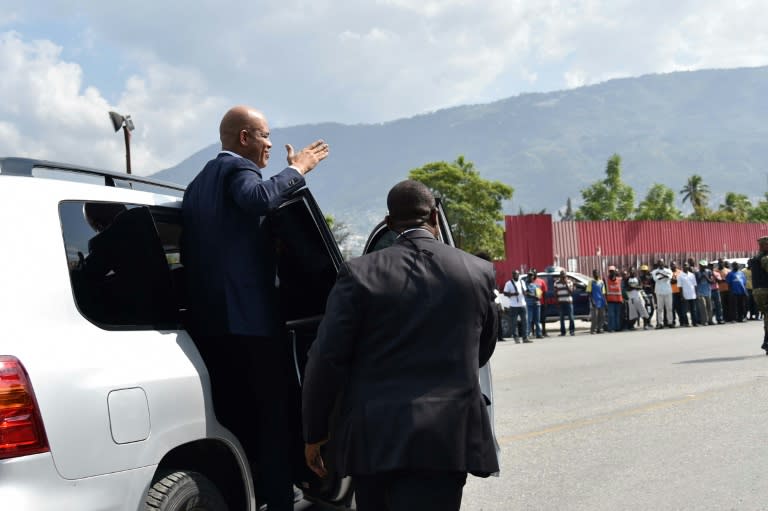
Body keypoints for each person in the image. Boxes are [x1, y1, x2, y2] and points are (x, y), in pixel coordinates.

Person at [301, 180, 499, 511]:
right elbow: (483, 350)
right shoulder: (477, 271)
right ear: (435, 217)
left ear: (389, 223)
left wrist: (316, 432)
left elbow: (326, 359)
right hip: (447, 437)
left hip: (376, 440)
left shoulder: (359, 272)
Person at [181, 105, 329, 510]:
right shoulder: (238, 171)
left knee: (238, 418)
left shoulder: (196, 187)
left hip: (211, 328)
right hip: (253, 325)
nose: (269, 143)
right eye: (264, 135)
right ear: (244, 138)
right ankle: (279, 498)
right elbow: (257, 198)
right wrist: (298, 169)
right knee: (272, 419)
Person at [748, 236, 768, 354]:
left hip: (757, 292)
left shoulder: (754, 258)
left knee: (766, 316)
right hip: (766, 290)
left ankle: (766, 341)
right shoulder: (765, 258)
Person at [503, 270, 529, 343]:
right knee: (514, 323)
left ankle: (525, 338)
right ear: (512, 275)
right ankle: (516, 338)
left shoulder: (522, 282)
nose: (516, 276)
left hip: (523, 305)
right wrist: (513, 294)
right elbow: (505, 293)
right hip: (513, 306)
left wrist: (525, 293)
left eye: (517, 274)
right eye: (514, 274)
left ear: (519, 275)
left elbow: (525, 291)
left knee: (525, 322)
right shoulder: (508, 283)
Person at [652, 259, 674, 329]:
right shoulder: (654, 271)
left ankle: (670, 322)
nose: (661, 264)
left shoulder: (669, 270)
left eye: (662, 263)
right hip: (659, 292)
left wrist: (661, 275)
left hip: (668, 291)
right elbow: (656, 279)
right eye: (659, 263)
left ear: (664, 263)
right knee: (659, 309)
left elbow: (669, 277)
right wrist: (664, 275)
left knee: (669, 308)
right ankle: (660, 323)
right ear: (658, 264)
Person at [553, 270, 576, 336]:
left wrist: (566, 284)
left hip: (568, 302)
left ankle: (572, 331)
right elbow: (555, 293)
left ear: (566, 275)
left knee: (571, 317)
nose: (563, 276)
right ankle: (563, 332)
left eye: (564, 275)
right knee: (561, 318)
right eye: (562, 275)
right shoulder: (556, 283)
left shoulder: (569, 282)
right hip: (561, 302)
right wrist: (557, 302)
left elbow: (571, 292)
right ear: (560, 275)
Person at [530, 269, 549, 337]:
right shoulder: (528, 281)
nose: (533, 275)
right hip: (531, 303)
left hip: (541, 302)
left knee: (542, 318)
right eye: (531, 274)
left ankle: (544, 331)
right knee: (532, 319)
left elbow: (544, 292)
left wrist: (545, 302)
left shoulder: (541, 281)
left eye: (534, 273)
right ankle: (533, 332)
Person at [586, 269, 607, 334]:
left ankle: (600, 328)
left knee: (602, 316)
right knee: (595, 317)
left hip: (601, 301)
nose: (596, 274)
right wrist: (592, 301)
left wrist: (605, 301)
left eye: (597, 273)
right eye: (595, 273)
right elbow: (589, 292)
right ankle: (593, 330)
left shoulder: (601, 282)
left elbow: (603, 293)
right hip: (594, 301)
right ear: (593, 274)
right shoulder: (591, 282)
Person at [525, 270, 543, 340]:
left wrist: (535, 296)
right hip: (529, 305)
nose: (530, 277)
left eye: (531, 275)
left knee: (537, 321)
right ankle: (527, 334)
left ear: (533, 276)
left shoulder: (536, 285)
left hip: (537, 304)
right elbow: (526, 293)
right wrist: (534, 296)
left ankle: (539, 334)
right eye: (529, 275)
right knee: (529, 320)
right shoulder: (525, 284)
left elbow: (539, 295)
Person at [695, 259, 714, 326]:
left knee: (710, 307)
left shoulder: (709, 272)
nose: (704, 267)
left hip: (708, 291)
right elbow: (696, 283)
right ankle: (704, 321)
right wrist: (701, 277)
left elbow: (712, 282)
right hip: (700, 293)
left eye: (705, 266)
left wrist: (706, 277)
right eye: (702, 266)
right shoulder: (697, 273)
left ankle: (710, 320)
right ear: (700, 266)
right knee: (703, 307)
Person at [605, 265, 623, 332]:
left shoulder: (619, 279)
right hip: (610, 301)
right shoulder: (606, 280)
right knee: (611, 315)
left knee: (618, 315)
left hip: (618, 300)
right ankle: (611, 328)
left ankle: (617, 328)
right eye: (610, 271)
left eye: (612, 271)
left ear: (615, 272)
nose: (611, 272)